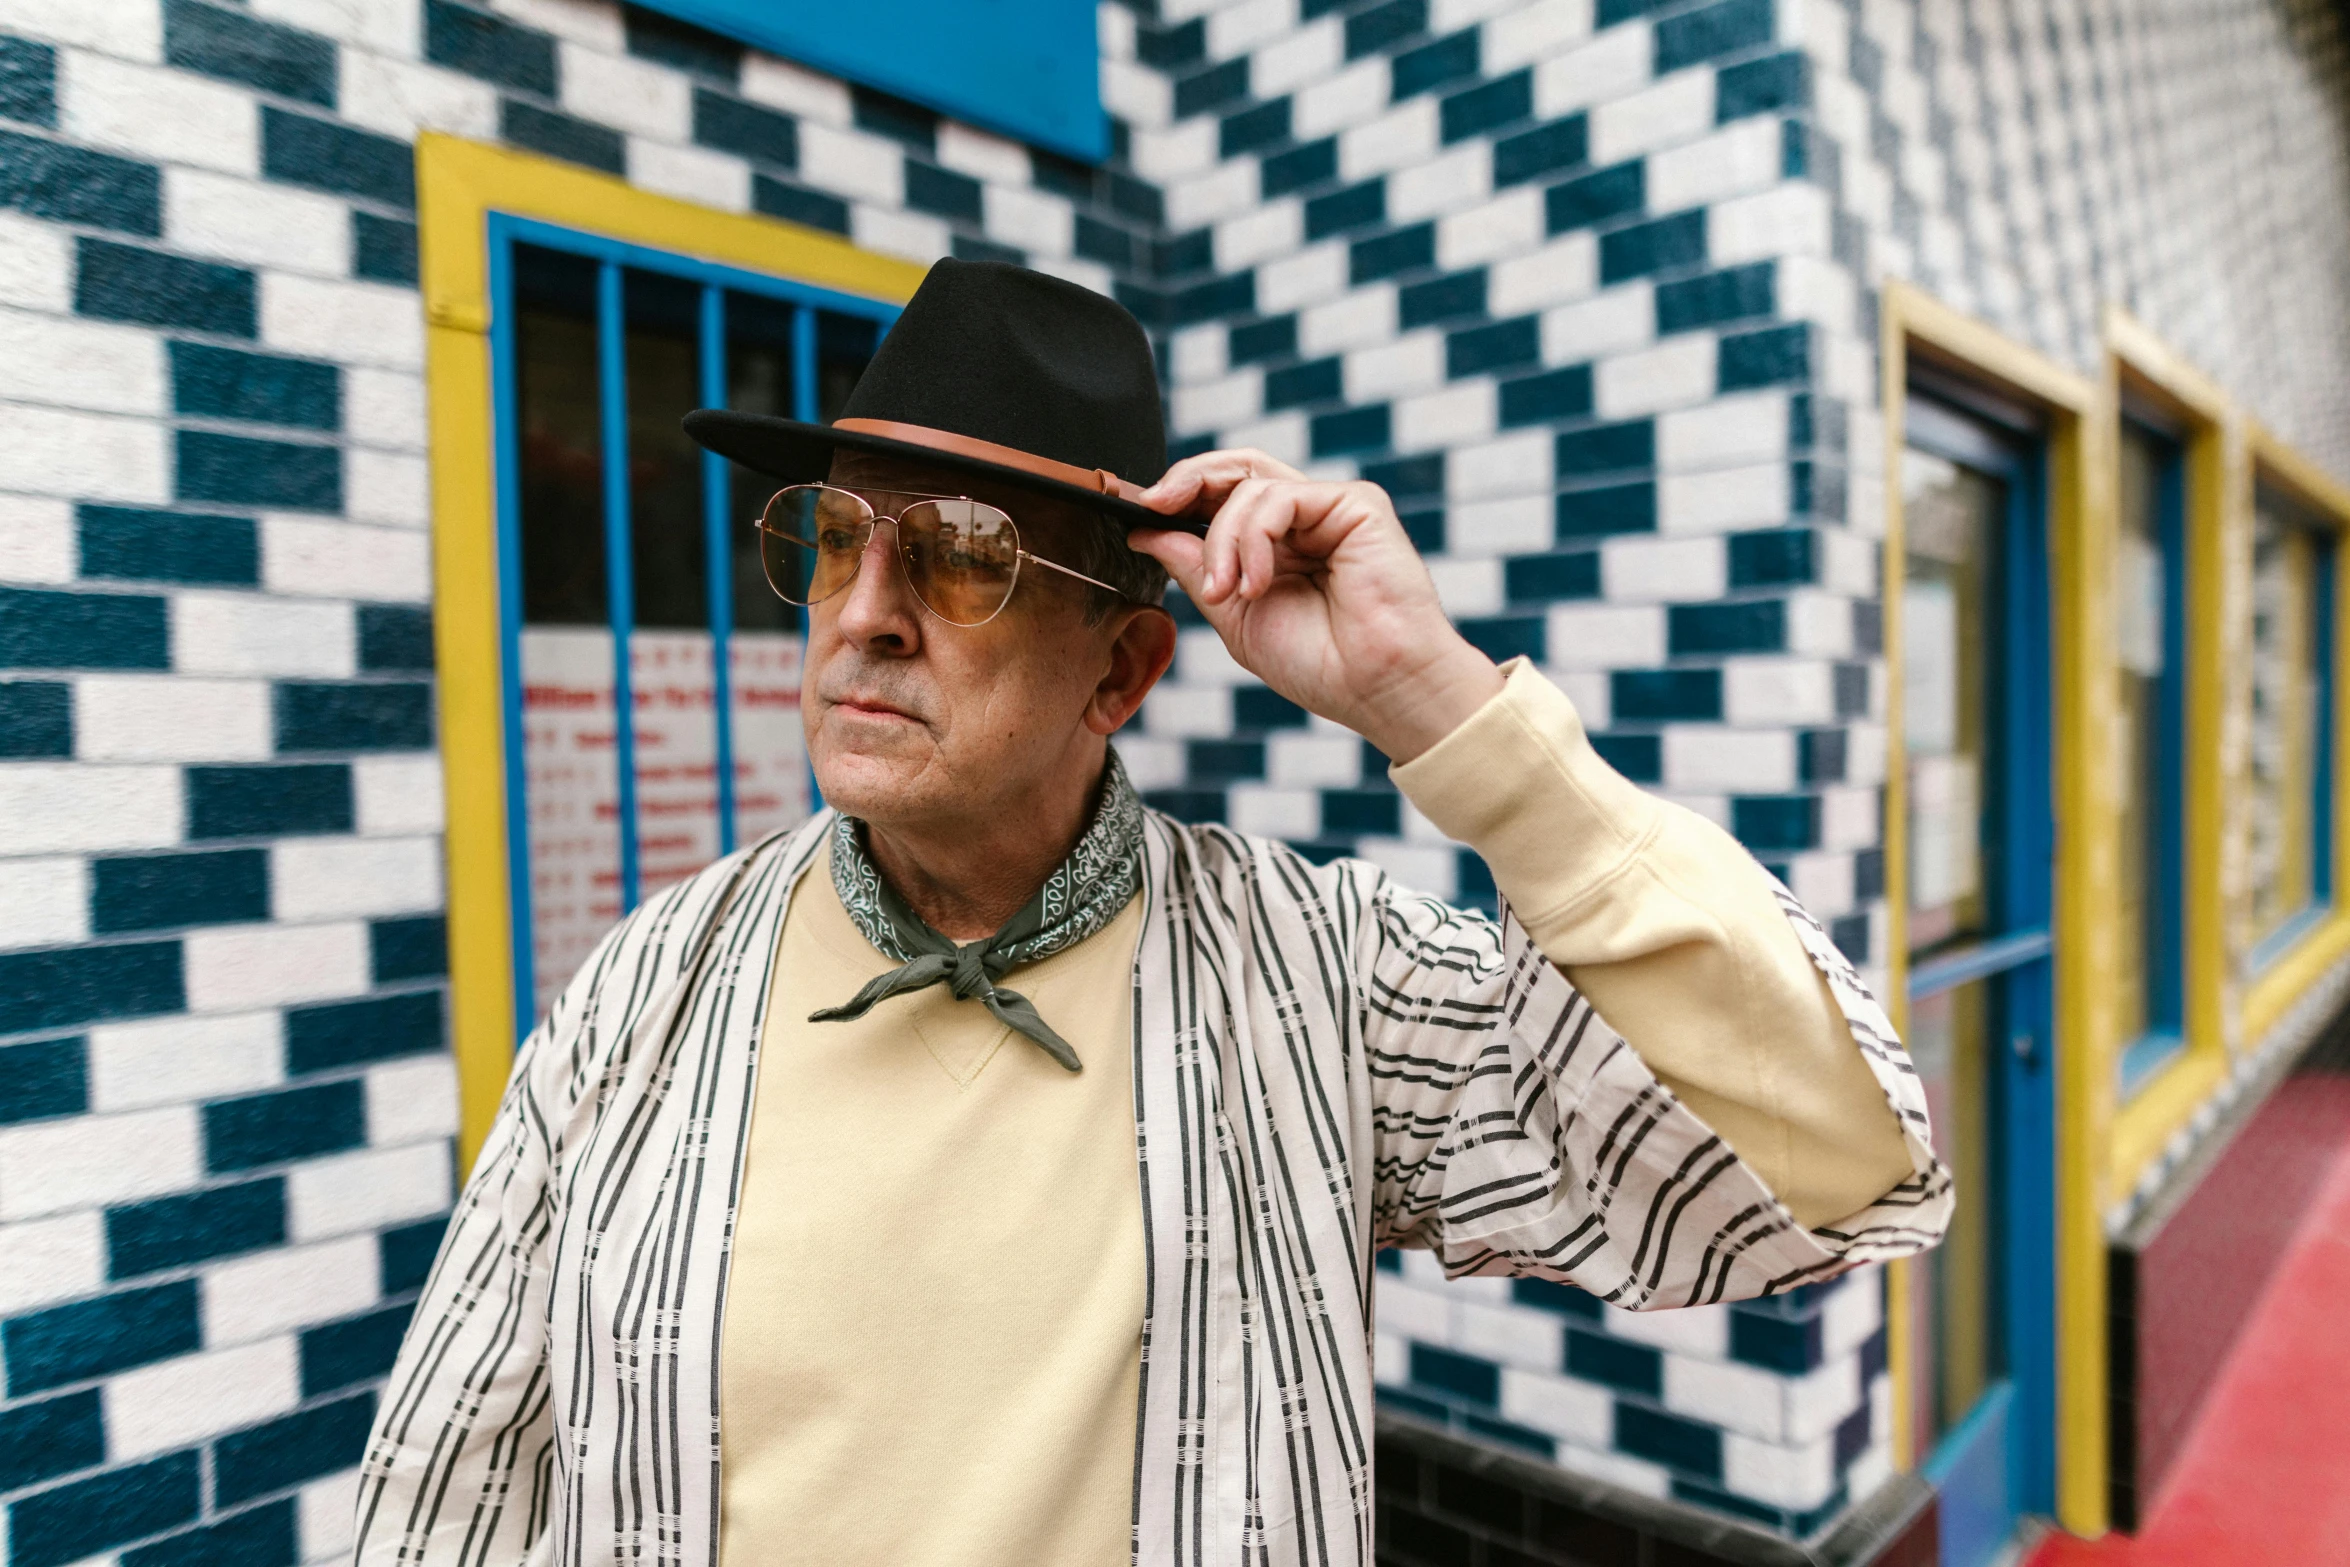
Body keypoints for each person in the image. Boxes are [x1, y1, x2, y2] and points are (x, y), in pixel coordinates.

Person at [355, 260, 1948, 1567]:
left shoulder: (1311, 980)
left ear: (1117, 671)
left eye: (961, 559)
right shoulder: (653, 984)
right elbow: (453, 1470)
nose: (861, 617)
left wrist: (1438, 708)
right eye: (834, 539)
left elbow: (1829, 1161)